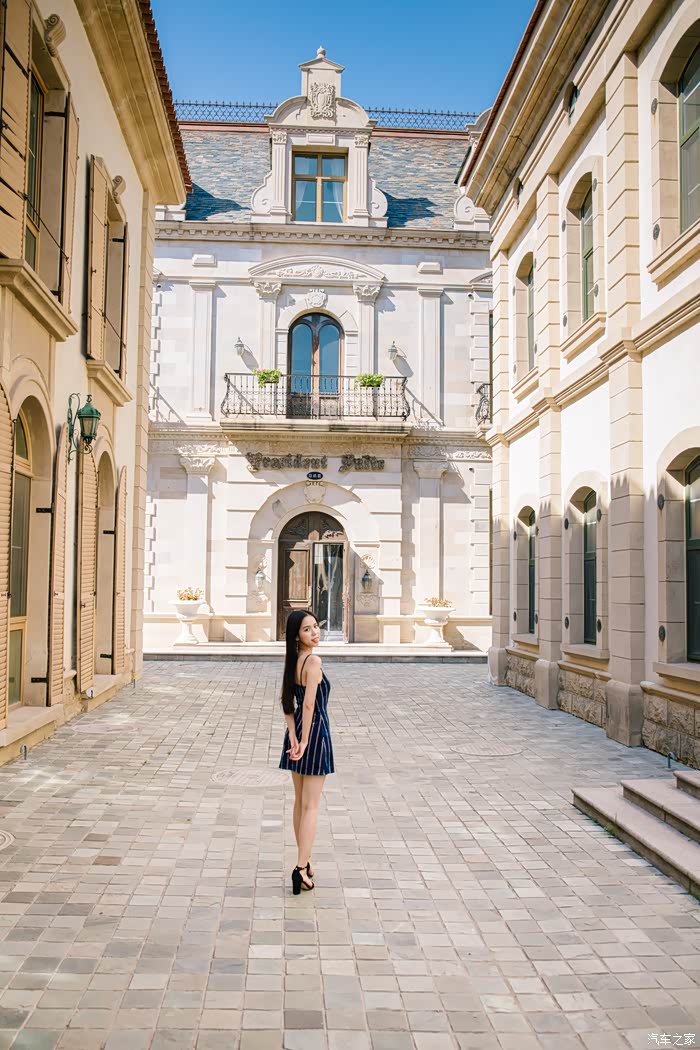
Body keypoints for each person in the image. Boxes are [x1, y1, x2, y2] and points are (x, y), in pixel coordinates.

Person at [278, 609, 334, 894]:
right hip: (314, 732)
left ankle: (305, 858)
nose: (314, 633)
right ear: (296, 635)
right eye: (307, 629)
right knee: (311, 805)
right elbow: (310, 704)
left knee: (300, 802)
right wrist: (305, 740)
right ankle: (300, 868)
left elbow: (287, 702)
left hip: (298, 730)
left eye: (315, 626)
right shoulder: (313, 661)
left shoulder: (293, 661)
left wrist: (293, 734)